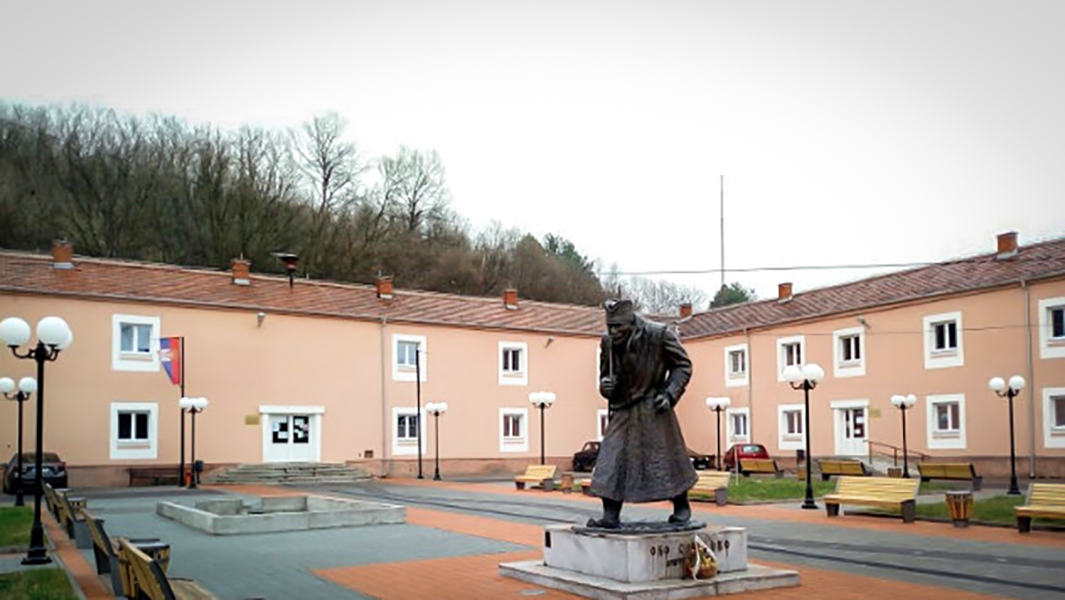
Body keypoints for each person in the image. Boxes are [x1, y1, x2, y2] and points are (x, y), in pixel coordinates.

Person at [588, 298, 698, 528]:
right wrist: (604, 387)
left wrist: (669, 394)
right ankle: (610, 515)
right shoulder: (607, 342)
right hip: (623, 407)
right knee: (611, 457)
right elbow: (604, 376)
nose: (614, 331)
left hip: (653, 404)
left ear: (631, 321)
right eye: (610, 326)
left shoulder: (658, 334)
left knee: (666, 459)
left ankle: (682, 507)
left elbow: (682, 365)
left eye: (618, 326)